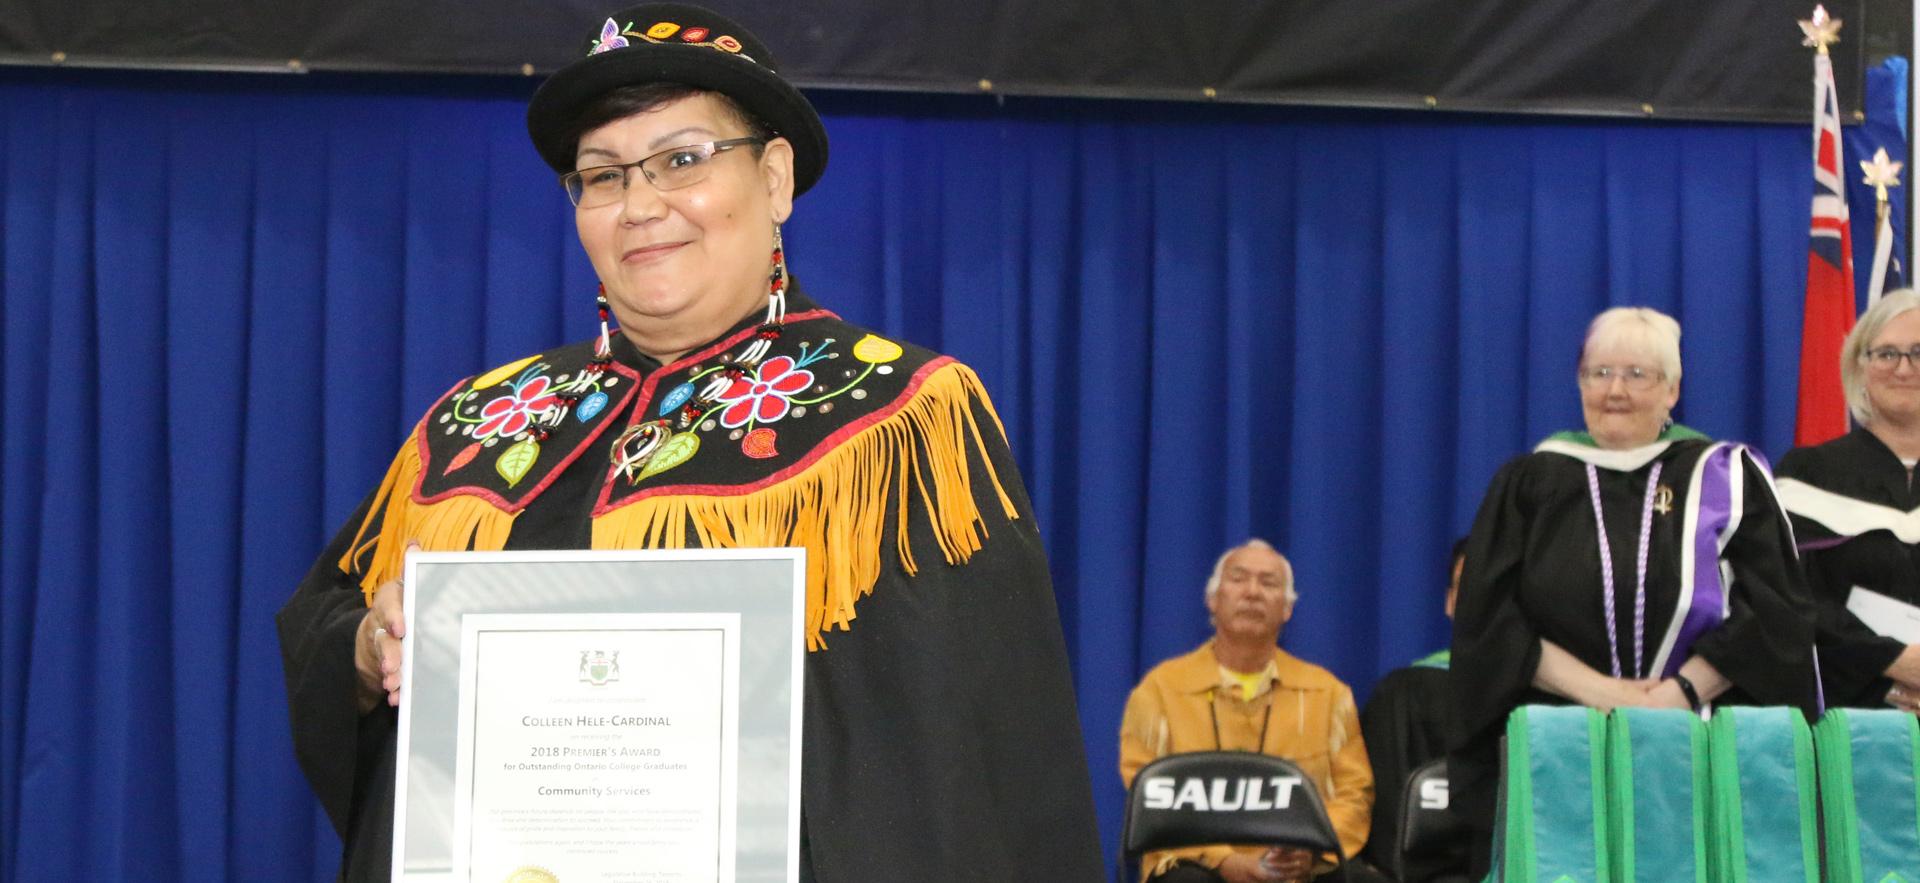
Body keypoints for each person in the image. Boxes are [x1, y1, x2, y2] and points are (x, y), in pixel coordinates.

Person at [274, 5, 1103, 880]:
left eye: (682, 160)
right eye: (602, 176)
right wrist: (368, 650)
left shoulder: (897, 417)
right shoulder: (479, 422)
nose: (641, 206)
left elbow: (970, 764)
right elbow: (327, 629)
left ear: (775, 178)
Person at [1448, 306, 1818, 876]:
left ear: (1673, 389)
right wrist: (1604, 693)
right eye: (1599, 374)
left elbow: (1774, 610)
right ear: (1579, 384)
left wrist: (1676, 695)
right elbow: (1490, 622)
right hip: (1558, 742)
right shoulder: (1529, 482)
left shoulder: (1728, 477)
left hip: (1704, 738)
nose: (1615, 391)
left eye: (1638, 375)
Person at [1119, 540, 1376, 883]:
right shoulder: (1160, 690)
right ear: (1213, 599)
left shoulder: (1328, 693)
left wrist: (1310, 850)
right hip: (1195, 865)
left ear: (1287, 608)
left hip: (1301, 868)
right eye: (1238, 579)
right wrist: (1222, 859)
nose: (1253, 592)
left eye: (1269, 583)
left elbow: (1355, 795)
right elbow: (1148, 796)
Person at [1776, 288, 1920, 714]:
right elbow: (1787, 595)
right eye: (1886, 354)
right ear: (1860, 367)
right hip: (1845, 716)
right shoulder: (1810, 474)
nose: (1904, 368)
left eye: (1918, 352)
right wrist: (1893, 660)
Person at [1357, 539, 1469, 882]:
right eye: (1468, 587)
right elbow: (1386, 812)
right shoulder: (1402, 694)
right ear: (1450, 602)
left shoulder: (1547, 709)